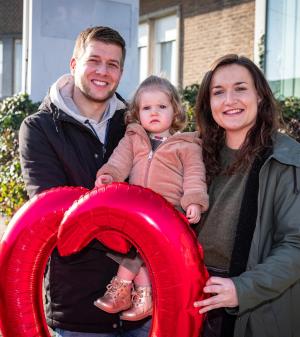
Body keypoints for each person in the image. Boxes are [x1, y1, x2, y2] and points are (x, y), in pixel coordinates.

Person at [19, 26, 151, 337]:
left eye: (113, 64)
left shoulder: (135, 123)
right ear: (74, 64)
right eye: (94, 60)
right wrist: (133, 241)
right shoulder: (39, 129)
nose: (103, 72)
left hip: (143, 309)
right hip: (79, 311)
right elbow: (56, 213)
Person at [193, 54, 300, 337]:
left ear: (260, 96)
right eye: (218, 92)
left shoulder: (288, 159)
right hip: (192, 298)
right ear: (208, 103)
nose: (229, 100)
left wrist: (242, 289)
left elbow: (296, 244)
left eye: (240, 88)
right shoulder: (193, 155)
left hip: (254, 306)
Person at [93, 75, 209, 322]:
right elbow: (118, 162)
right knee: (133, 249)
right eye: (147, 108)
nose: (154, 112)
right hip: (137, 210)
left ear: (175, 111)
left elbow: (194, 176)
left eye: (162, 107)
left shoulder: (186, 145)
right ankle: (144, 296)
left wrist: (194, 201)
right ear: (137, 113)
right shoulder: (133, 138)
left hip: (169, 213)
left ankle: (121, 287)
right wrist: (108, 176)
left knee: (141, 251)